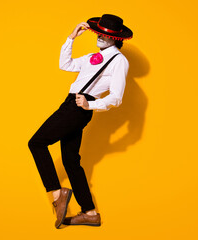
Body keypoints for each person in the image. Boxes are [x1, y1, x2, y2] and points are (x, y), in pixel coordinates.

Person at [28, 14, 133, 228]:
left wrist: (90, 105)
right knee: (71, 161)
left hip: (78, 108)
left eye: (106, 35)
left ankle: (57, 193)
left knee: (36, 143)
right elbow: (65, 64)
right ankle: (90, 212)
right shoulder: (94, 57)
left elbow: (117, 97)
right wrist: (71, 38)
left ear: (116, 39)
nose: (101, 37)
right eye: (99, 33)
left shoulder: (120, 61)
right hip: (70, 105)